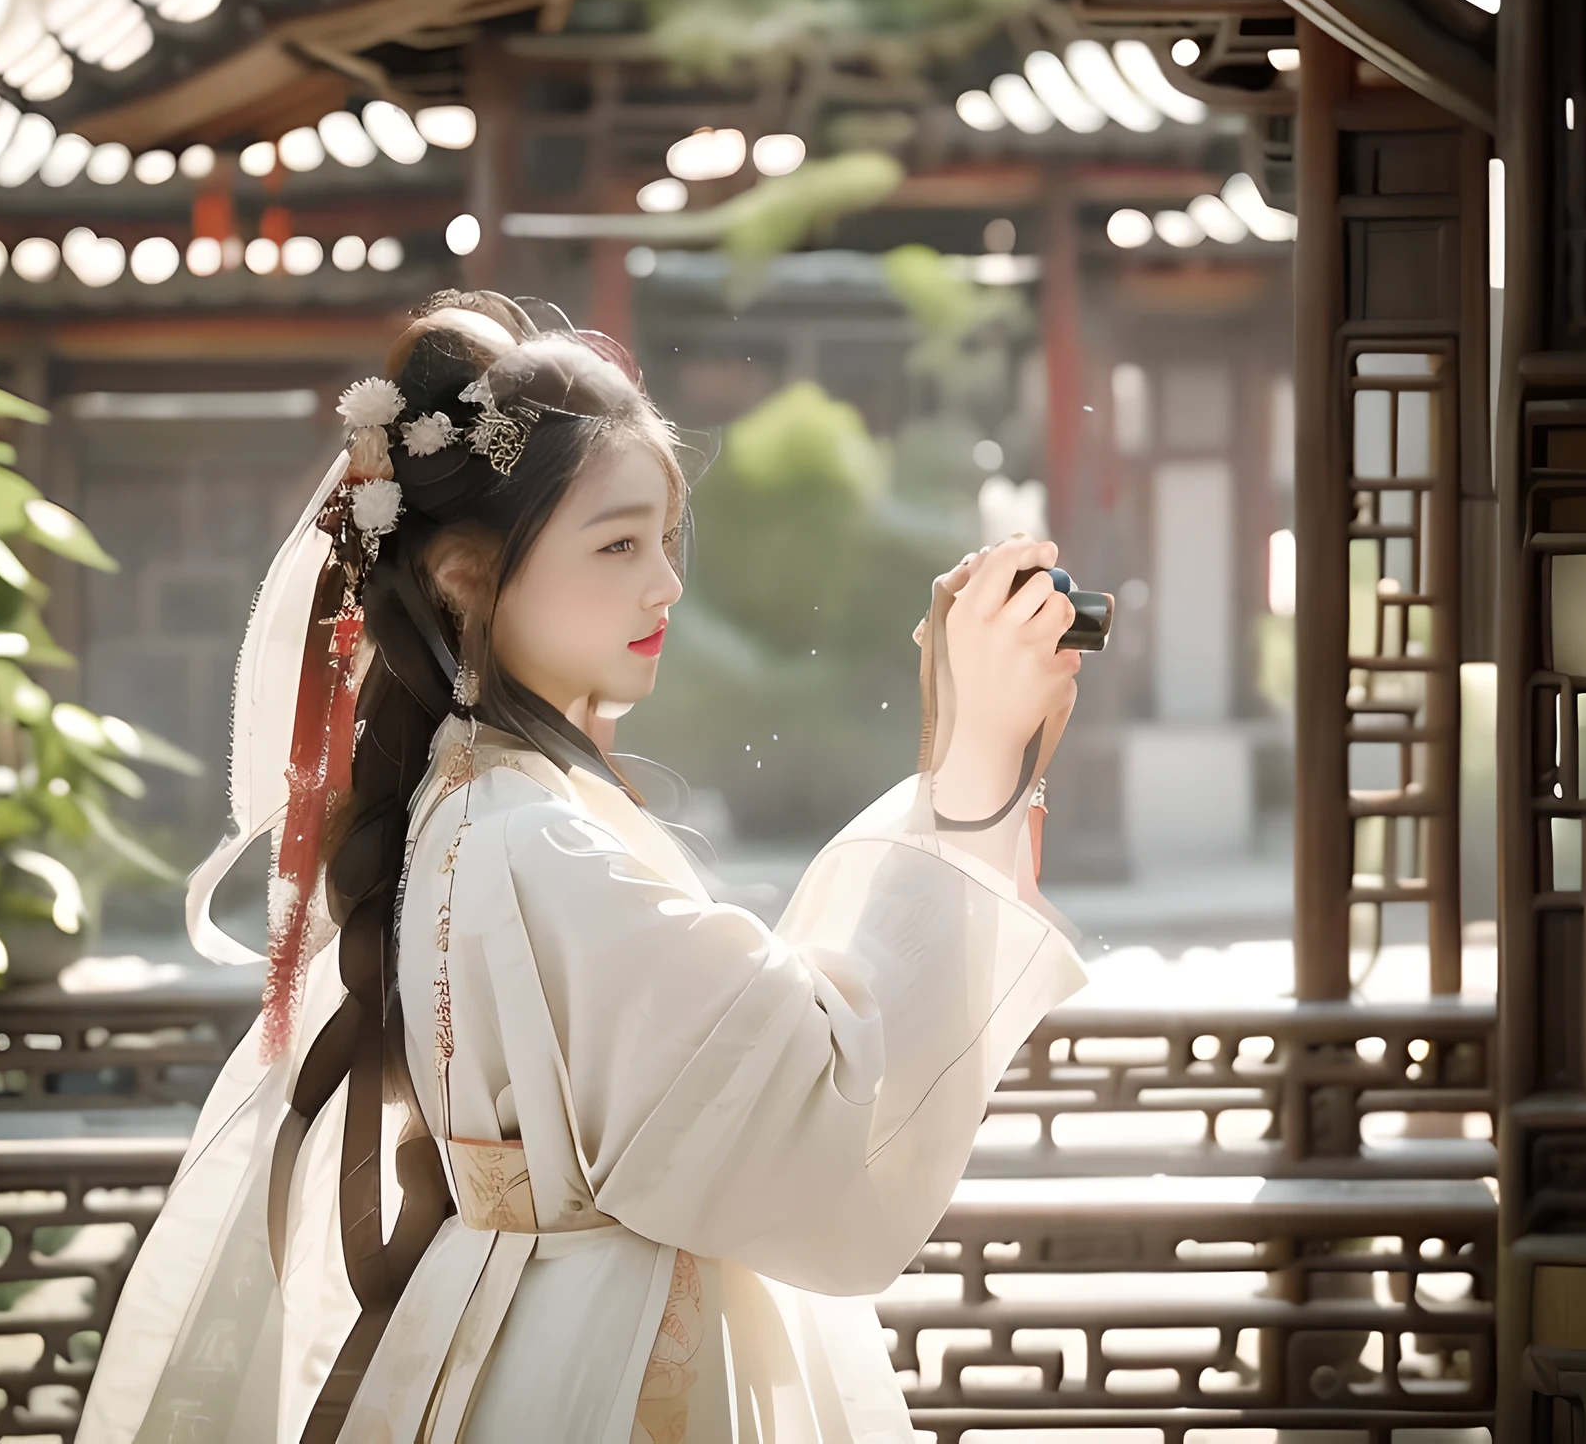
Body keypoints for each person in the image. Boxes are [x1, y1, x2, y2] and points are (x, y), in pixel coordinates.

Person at [76, 290, 1086, 1444]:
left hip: (520, 1319)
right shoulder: (535, 836)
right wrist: (972, 764)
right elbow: (808, 1100)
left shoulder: (474, 800)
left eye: (664, 537)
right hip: (603, 1353)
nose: (663, 582)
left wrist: (967, 751)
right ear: (463, 573)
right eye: (615, 543)